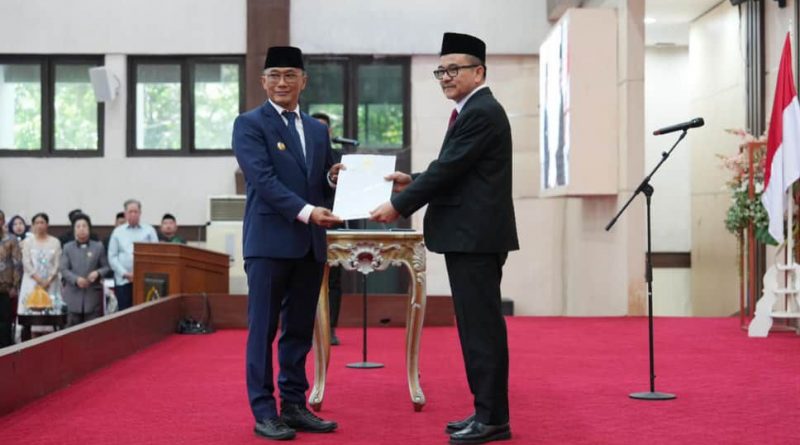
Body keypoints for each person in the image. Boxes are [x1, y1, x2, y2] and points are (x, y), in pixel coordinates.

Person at [370, 32, 518, 445]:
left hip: (476, 238)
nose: (446, 77)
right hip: (469, 237)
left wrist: (399, 204)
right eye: (441, 71)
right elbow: (455, 170)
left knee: (481, 330)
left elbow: (448, 170)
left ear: (479, 72)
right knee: (474, 328)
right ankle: (486, 411)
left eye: (454, 69)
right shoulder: (472, 111)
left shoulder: (481, 112)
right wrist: (412, 180)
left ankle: (493, 419)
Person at [232, 45, 343, 441]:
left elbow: (324, 181)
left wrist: (333, 180)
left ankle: (293, 405)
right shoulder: (249, 124)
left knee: (298, 331)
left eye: (290, 75)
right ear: (264, 81)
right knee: (263, 330)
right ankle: (264, 411)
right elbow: (263, 180)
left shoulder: (317, 129)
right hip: (268, 244)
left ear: (303, 81)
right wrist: (308, 211)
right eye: (275, 75)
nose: (282, 82)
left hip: (309, 245)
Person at [311, 112, 343, 346]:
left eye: (323, 129)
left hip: (334, 220)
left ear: (329, 132)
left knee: (334, 280)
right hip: (308, 219)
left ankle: (330, 328)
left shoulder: (339, 158)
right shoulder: (301, 151)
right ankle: (309, 326)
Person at [107, 199, 158, 311]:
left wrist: (142, 273)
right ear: (125, 214)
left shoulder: (149, 231)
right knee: (125, 313)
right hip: (123, 280)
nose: (133, 214)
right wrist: (125, 274)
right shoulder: (117, 232)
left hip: (145, 280)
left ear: (140, 213)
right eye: (130, 212)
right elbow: (112, 257)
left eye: (136, 211)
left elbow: (156, 254)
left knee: (144, 312)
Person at [60, 214, 110, 326]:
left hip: (92, 296)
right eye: (78, 226)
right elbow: (63, 269)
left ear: (89, 228)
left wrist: (97, 273)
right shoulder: (67, 247)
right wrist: (76, 279)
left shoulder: (98, 247)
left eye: (84, 226)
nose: (81, 229)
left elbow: (106, 267)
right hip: (72, 296)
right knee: (71, 331)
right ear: (74, 229)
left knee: (92, 331)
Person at [18, 213, 64, 315]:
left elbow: (57, 263)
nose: (39, 225)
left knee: (51, 312)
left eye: (42, 222)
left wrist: (48, 280)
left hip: (51, 283)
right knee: (31, 312)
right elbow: (26, 262)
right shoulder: (28, 242)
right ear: (33, 225)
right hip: (32, 281)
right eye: (37, 223)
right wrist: (39, 279)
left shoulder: (55, 242)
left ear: (47, 225)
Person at [0, 211, 22, 347]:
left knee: (5, 324)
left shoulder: (11, 239)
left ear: (3, 221)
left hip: (6, 289)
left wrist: (15, 286)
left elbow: (17, 264)